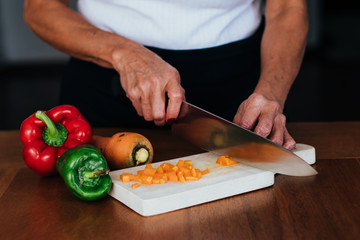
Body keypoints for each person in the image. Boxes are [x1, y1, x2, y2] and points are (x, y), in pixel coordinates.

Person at [24, 0, 308, 150]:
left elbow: (287, 7)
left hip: (238, 97)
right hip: (104, 88)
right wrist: (124, 54)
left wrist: (270, 92)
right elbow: (41, 8)